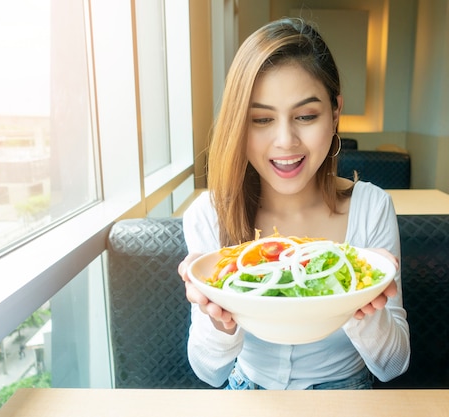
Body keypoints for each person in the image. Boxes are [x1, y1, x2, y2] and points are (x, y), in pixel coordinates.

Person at [177, 17, 410, 390]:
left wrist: (363, 307)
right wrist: (218, 322)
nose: (285, 140)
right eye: (261, 119)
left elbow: (392, 365)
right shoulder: (209, 214)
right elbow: (210, 372)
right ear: (239, 124)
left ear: (335, 113)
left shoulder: (372, 207)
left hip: (346, 394)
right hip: (247, 391)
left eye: (305, 116)